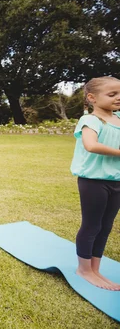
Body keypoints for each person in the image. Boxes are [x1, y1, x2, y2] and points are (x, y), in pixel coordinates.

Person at [70, 76, 120, 290]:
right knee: (92, 225)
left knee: (106, 226)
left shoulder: (118, 119)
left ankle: (95, 269)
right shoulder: (90, 120)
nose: (118, 98)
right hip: (93, 181)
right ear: (92, 98)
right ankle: (84, 269)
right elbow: (91, 145)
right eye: (112, 94)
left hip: (116, 180)